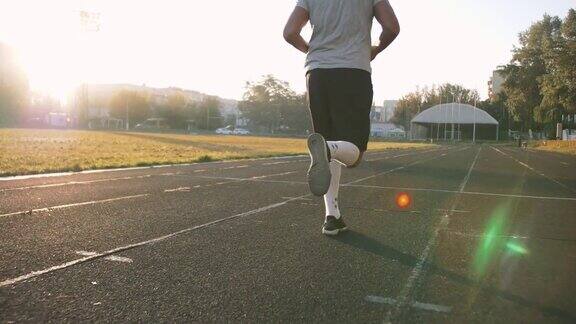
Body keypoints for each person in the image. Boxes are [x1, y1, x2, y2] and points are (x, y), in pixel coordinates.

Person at [283, 0, 400, 235]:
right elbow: (392, 27)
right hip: (353, 70)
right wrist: (376, 48)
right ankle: (326, 149)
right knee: (353, 154)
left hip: (316, 73)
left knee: (332, 144)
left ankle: (332, 216)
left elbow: (290, 32)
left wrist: (313, 50)